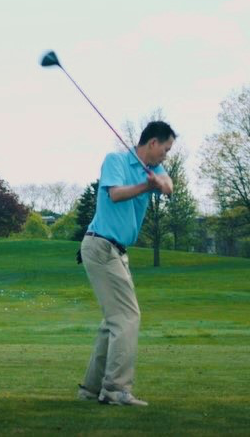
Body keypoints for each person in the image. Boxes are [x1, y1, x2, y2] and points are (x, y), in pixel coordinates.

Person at [77, 121, 174, 407]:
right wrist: (146, 185)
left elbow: (169, 187)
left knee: (113, 321)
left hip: (115, 251)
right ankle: (116, 389)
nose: (165, 156)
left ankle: (91, 389)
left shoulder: (154, 169)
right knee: (127, 317)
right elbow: (115, 194)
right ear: (153, 143)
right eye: (165, 150)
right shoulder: (116, 160)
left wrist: (159, 182)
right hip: (101, 245)